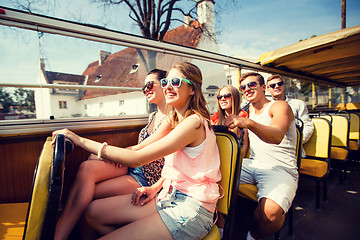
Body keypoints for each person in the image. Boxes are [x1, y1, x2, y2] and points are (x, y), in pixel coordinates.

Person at [52, 62, 221, 240]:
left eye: (176, 82)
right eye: (165, 83)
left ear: (193, 89)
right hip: (167, 194)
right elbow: (172, 164)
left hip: (190, 208)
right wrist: (156, 188)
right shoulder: (174, 119)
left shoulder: (193, 123)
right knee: (93, 212)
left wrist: (78, 139)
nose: (168, 87)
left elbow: (136, 158)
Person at [54, 69, 167, 240]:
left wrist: (105, 153)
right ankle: (56, 236)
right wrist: (108, 155)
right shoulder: (153, 116)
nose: (146, 90)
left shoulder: (172, 119)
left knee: (88, 197)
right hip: (134, 166)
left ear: (165, 85)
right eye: (144, 87)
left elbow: (140, 151)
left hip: (147, 176)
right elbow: (137, 147)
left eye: (150, 85)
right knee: (88, 168)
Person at [224, 72, 298, 240]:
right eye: (243, 87)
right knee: (212, 174)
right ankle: (221, 227)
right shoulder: (247, 109)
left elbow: (277, 136)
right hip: (253, 164)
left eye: (252, 85)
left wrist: (248, 123)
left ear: (264, 87)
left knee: (271, 213)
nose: (247, 89)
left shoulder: (279, 106)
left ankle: (252, 237)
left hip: (281, 168)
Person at [266, 74, 314, 156]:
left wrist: (296, 141)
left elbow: (308, 126)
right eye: (272, 85)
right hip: (270, 149)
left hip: (292, 150)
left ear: (283, 86)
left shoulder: (298, 104)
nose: (277, 86)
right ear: (267, 89)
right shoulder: (266, 107)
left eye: (279, 84)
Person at [211, 84, 249, 155]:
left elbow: (244, 146)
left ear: (235, 98)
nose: (222, 99)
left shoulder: (243, 116)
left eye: (227, 96)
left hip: (235, 157)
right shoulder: (215, 117)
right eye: (219, 97)